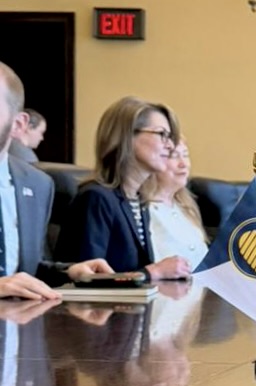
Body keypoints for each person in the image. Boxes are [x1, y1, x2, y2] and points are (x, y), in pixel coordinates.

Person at [0, 63, 111, 299]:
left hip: (21, 319)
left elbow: (24, 270)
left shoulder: (37, 184)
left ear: (18, 124)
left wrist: (68, 273)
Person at [54, 96, 193, 281]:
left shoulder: (138, 200)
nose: (170, 145)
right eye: (162, 134)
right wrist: (154, 272)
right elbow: (88, 281)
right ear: (126, 136)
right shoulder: (96, 198)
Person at [143, 139, 208, 269]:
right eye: (173, 156)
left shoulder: (186, 206)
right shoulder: (143, 211)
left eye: (185, 155)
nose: (183, 164)